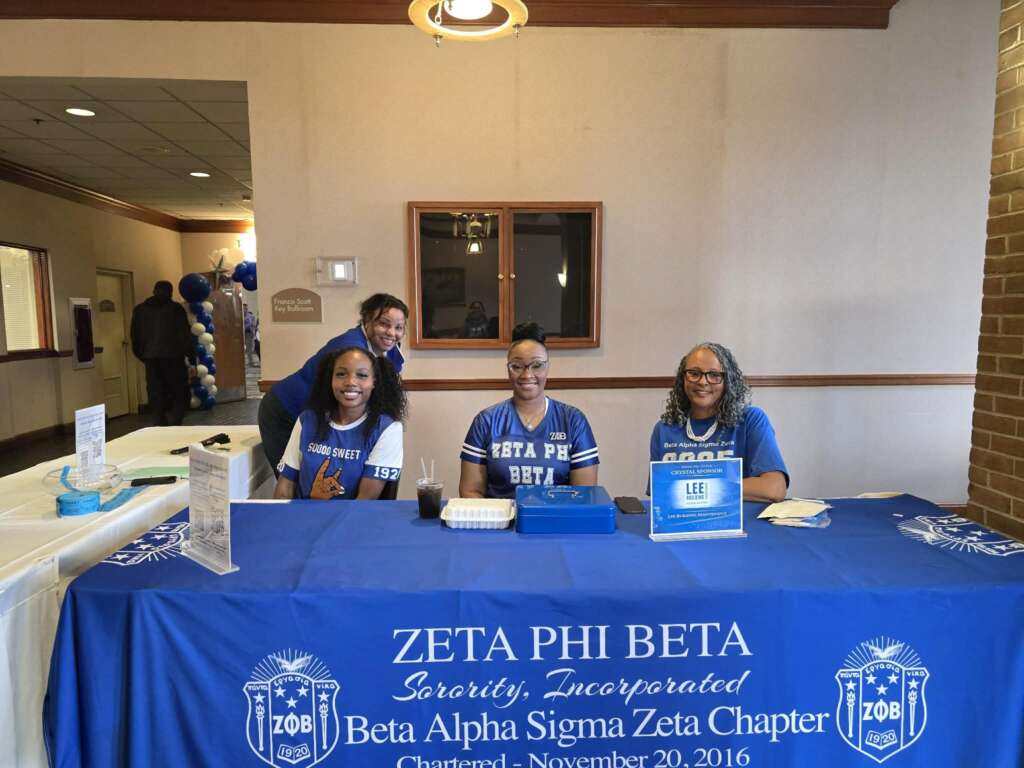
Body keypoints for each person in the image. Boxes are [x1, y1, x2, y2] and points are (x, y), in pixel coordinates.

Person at [259, 293, 407, 472]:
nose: (392, 333)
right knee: (297, 479)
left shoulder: (387, 347)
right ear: (366, 319)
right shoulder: (351, 349)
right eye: (384, 324)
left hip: (314, 414)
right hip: (284, 411)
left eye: (399, 327)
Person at [459, 322, 599, 498]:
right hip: (501, 515)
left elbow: (584, 495)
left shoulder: (573, 421)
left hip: (556, 515)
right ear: (508, 369)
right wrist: (503, 515)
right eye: (517, 366)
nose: (527, 375)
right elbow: (470, 491)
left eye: (537, 365)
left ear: (547, 368)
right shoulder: (486, 421)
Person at [650, 342, 788, 502]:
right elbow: (659, 494)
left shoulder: (750, 420)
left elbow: (774, 488)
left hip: (738, 518)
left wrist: (698, 488)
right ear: (683, 379)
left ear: (727, 380)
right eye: (694, 373)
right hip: (681, 516)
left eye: (714, 374)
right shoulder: (664, 429)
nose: (703, 381)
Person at [273, 346, 406, 500]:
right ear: (331, 379)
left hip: (353, 515)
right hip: (301, 513)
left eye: (362, 375)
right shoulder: (307, 420)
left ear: (374, 382)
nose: (350, 382)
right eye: (341, 374)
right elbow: (284, 488)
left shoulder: (387, 428)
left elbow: (364, 501)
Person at [129, 280, 193, 426]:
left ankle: (159, 422)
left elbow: (135, 336)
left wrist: (143, 355)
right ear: (170, 292)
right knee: (178, 391)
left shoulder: (140, 310)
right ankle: (175, 421)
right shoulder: (175, 309)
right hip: (173, 358)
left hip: (151, 358)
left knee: (155, 393)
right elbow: (184, 335)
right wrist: (191, 356)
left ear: (154, 291)